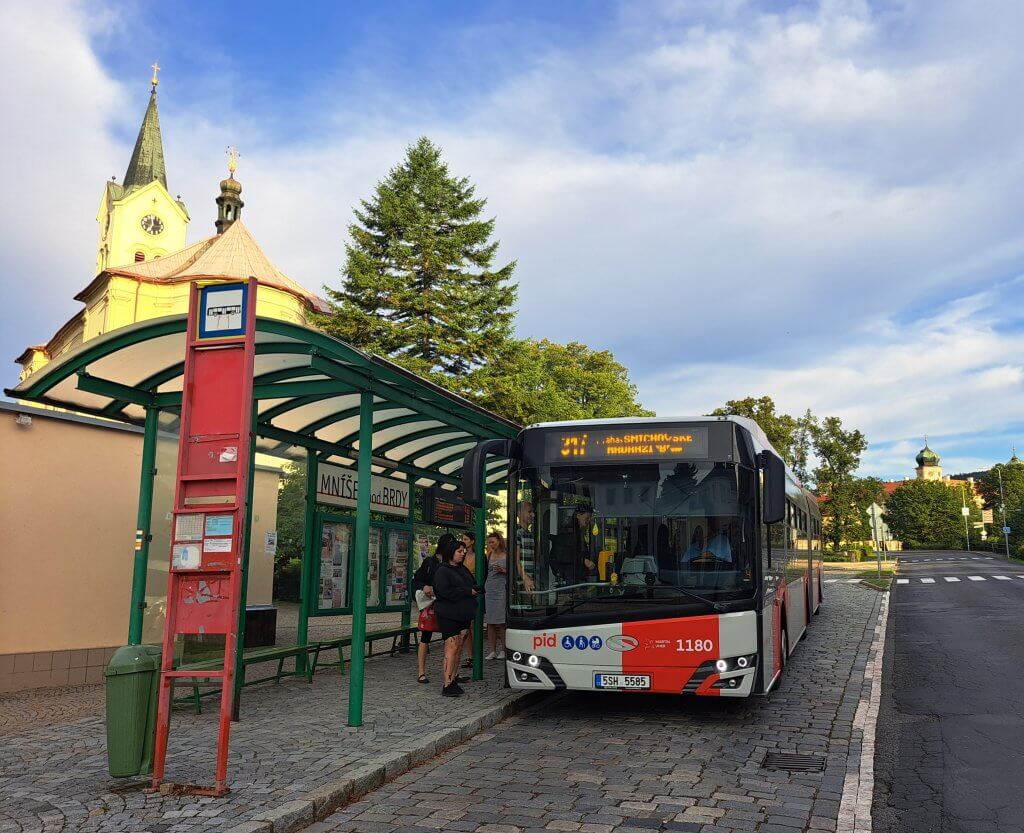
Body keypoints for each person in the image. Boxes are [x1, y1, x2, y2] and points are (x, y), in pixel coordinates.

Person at [432, 538, 481, 697]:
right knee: (452, 646)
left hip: (463, 613)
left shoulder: (462, 569)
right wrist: (467, 592)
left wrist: (475, 589)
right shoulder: (442, 570)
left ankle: (453, 678)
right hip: (449, 614)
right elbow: (444, 592)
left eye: (464, 551)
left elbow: (472, 583)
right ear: (450, 553)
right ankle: (447, 683)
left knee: (459, 645)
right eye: (459, 551)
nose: (463, 554)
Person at [411, 533, 456, 684]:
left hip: (447, 606)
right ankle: (421, 671)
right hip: (431, 606)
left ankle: (451, 673)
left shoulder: (454, 563)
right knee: (425, 638)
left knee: (450, 639)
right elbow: (417, 580)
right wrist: (423, 586)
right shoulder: (430, 562)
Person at [552, 504, 597, 585]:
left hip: (576, 577)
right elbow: (565, 555)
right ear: (578, 515)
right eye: (587, 517)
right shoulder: (568, 532)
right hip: (569, 580)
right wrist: (584, 561)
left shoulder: (579, 532)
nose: (589, 520)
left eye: (590, 518)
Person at [484, 531, 508, 659]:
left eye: (492, 542)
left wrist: (503, 570)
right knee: (490, 621)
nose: (491, 544)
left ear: (499, 541)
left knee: (501, 622)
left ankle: (503, 649)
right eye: (489, 542)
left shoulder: (506, 555)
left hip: (501, 589)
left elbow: (513, 572)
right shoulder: (489, 555)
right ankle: (492, 650)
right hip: (490, 589)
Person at [460, 531, 477, 668]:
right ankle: (470, 655)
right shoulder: (461, 556)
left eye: (465, 539)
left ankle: (474, 654)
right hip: (462, 592)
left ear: (472, 541)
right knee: (466, 626)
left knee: (472, 626)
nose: (463, 541)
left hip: (473, 592)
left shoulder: (479, 557)